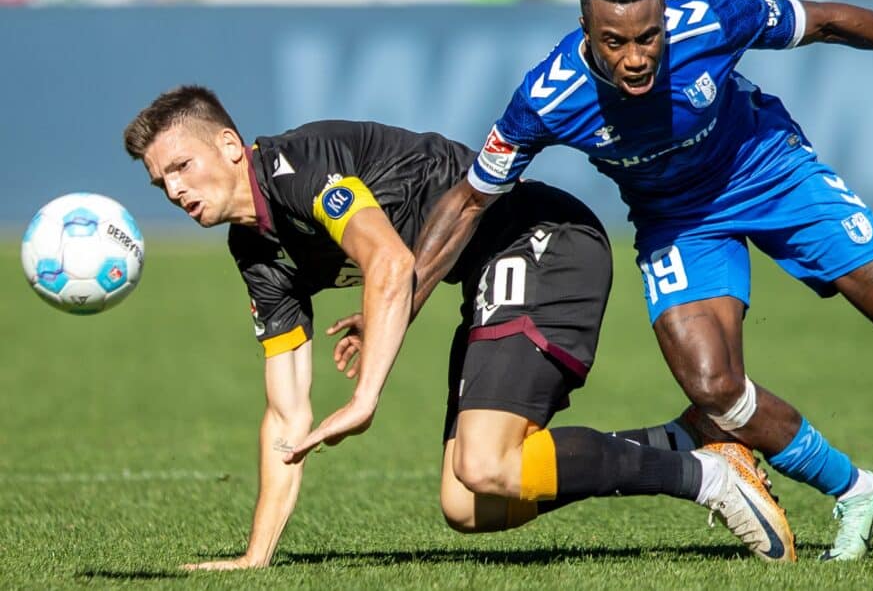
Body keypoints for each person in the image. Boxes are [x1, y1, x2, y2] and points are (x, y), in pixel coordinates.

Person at [407, 0, 873, 562]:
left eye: (648, 37)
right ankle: (858, 490)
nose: (636, 58)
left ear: (665, 18)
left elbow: (830, 21)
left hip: (770, 172)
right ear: (587, 31)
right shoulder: (547, 98)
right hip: (676, 219)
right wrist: (399, 301)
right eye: (615, 43)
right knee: (713, 386)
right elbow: (468, 198)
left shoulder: (710, 20)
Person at [122, 85, 796, 570]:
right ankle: (687, 440)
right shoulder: (256, 251)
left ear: (232, 146)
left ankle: (710, 481)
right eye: (160, 182)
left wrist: (364, 398)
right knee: (470, 503)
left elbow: (387, 260)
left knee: (484, 461)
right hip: (486, 278)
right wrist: (256, 555)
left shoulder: (298, 166)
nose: (174, 189)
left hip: (542, 239)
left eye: (181, 166)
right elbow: (283, 414)